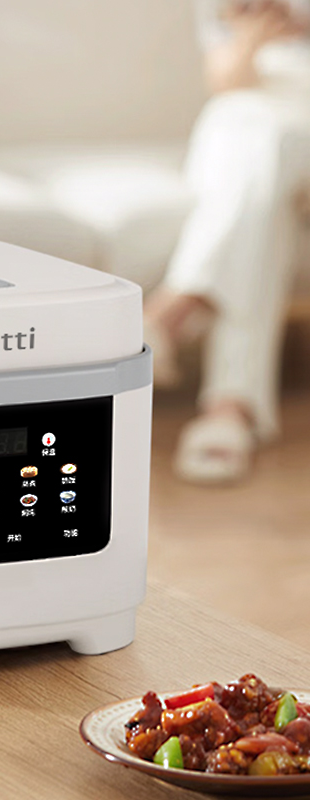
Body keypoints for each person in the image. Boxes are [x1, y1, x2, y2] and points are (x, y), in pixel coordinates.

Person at [144, 0, 310, 483]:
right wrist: (258, 31)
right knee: (260, 161)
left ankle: (173, 310)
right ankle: (230, 406)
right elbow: (227, 80)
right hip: (243, 123)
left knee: (272, 149)